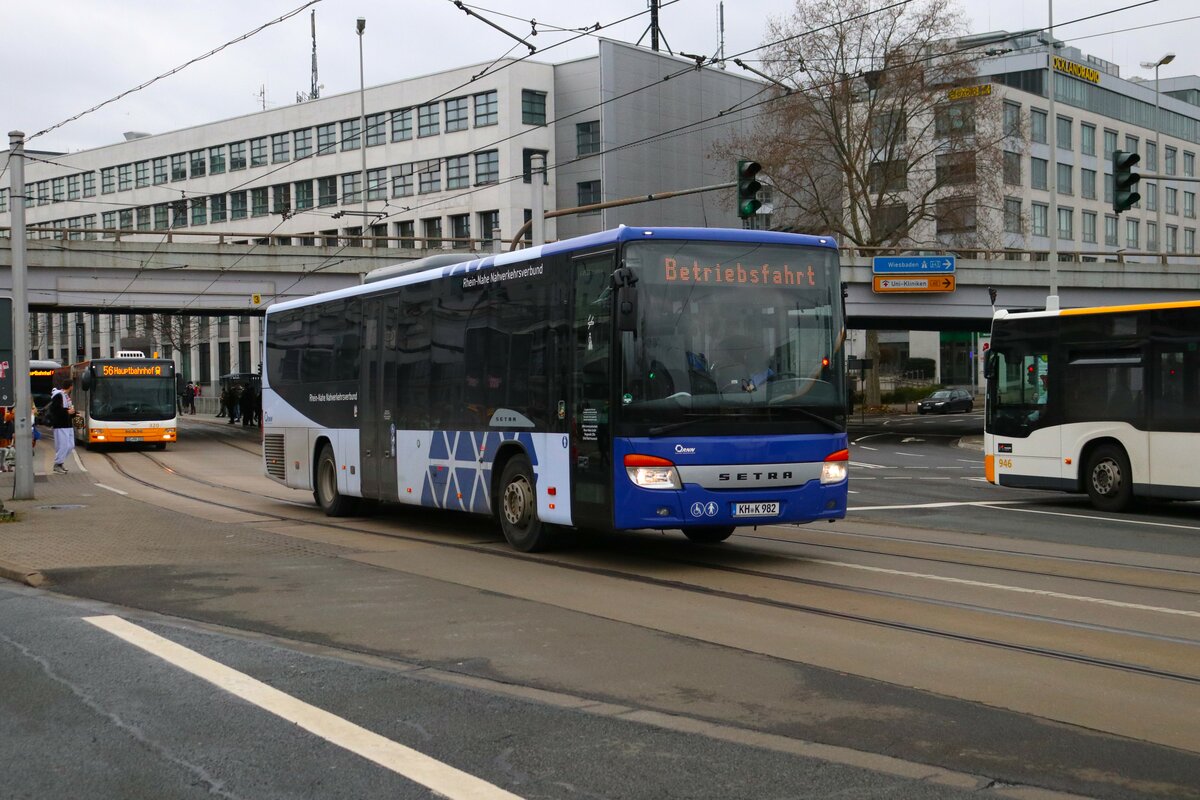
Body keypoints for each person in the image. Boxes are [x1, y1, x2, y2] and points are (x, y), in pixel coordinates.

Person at [49, 378, 76, 474]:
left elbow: (68, 410)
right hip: (60, 424)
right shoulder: (58, 396)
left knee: (70, 445)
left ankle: (60, 463)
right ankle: (57, 465)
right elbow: (54, 410)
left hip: (68, 424)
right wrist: (67, 412)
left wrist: (74, 413)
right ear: (71, 386)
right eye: (72, 386)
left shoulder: (66, 396)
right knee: (63, 445)